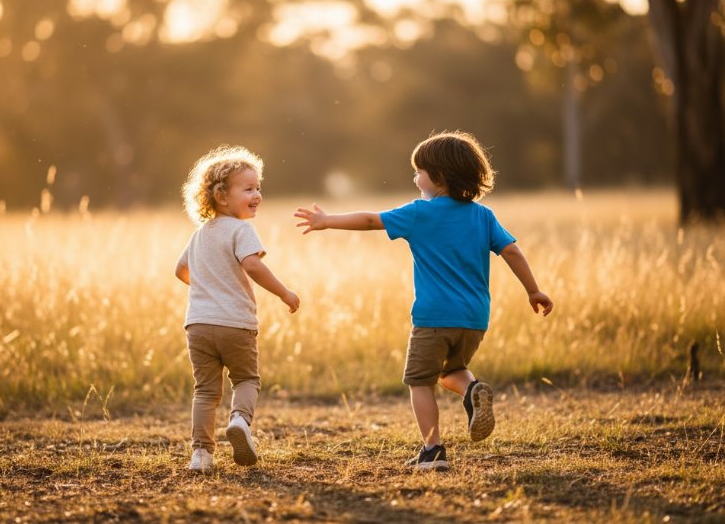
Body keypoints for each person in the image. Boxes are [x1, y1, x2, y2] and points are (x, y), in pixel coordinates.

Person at [294, 130, 553, 471]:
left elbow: (372, 220)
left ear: (439, 177)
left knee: (420, 381)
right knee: (452, 371)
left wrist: (328, 221)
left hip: (433, 318)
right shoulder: (483, 215)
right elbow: (512, 250)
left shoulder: (419, 213)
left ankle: (432, 450)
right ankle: (472, 389)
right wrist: (533, 290)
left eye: (419, 172)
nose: (415, 179)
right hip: (475, 318)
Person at [176, 145, 300, 472]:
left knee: (205, 390)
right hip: (235, 324)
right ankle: (240, 422)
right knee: (246, 379)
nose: (257, 194)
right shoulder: (241, 229)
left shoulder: (200, 234)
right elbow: (253, 267)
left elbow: (181, 271)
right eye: (248, 189)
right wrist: (285, 293)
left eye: (258, 187)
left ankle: (201, 455)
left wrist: (209, 286)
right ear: (221, 196)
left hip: (198, 325)